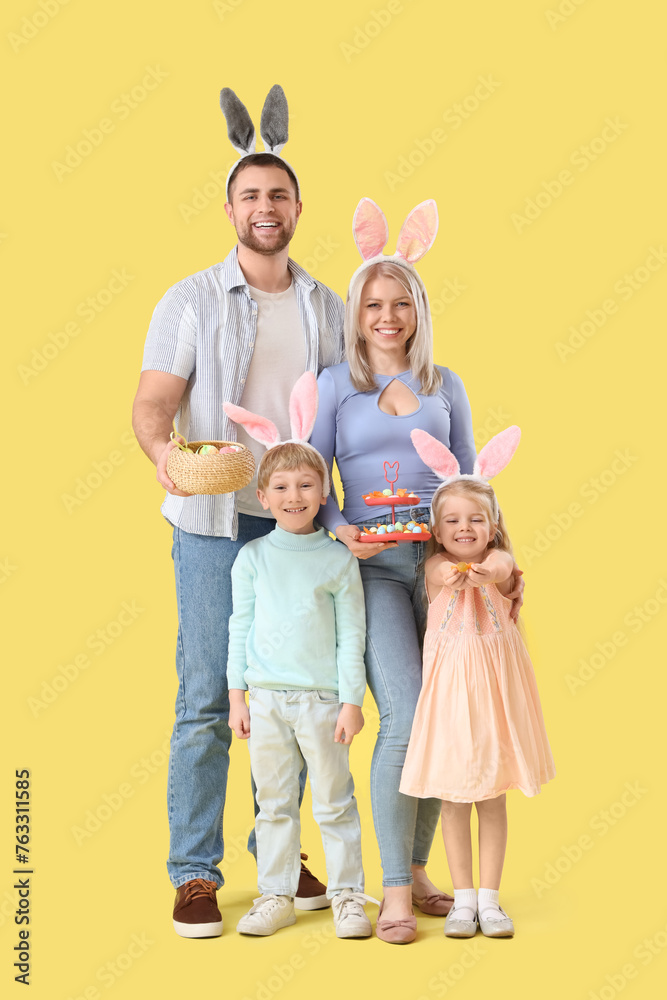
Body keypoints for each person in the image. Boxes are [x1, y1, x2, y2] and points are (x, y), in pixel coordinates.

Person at [131, 86, 343, 937]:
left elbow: (346, 415)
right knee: (209, 696)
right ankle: (194, 873)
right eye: (250, 195)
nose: (266, 207)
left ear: (297, 207)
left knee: (290, 695)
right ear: (229, 208)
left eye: (278, 195)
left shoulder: (327, 305)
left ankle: (280, 856)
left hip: (295, 524)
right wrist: (163, 457)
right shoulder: (189, 300)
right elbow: (154, 402)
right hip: (215, 527)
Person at [309, 198, 500, 943]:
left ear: (416, 311)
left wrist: (492, 565)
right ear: (355, 314)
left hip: (447, 568)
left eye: (399, 304)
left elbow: (475, 479)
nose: (386, 317)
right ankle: (392, 890)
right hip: (377, 570)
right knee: (406, 713)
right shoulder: (332, 385)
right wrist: (338, 527)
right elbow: (312, 477)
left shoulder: (444, 383)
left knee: (445, 718)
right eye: (372, 305)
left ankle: (419, 867)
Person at [225, 377, 376, 938]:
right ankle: (276, 895)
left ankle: (346, 897)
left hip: (321, 702)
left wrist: (350, 702)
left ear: (323, 493)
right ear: (263, 497)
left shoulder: (338, 562)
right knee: (273, 805)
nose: (294, 496)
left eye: (307, 485)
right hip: (264, 701)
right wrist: (237, 695)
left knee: (335, 801)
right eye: (282, 487)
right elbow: (238, 627)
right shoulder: (253, 558)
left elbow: (350, 636)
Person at [400, 427, 555, 938]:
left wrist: (487, 572)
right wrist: (457, 571)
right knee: (453, 800)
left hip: (494, 705)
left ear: (492, 526)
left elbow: (500, 569)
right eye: (452, 520)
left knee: (493, 800)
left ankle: (490, 900)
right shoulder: (438, 566)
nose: (464, 527)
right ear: (437, 530)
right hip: (449, 704)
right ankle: (462, 899)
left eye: (475, 519)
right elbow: (444, 576)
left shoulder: (500, 564)